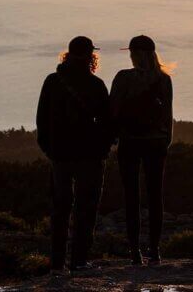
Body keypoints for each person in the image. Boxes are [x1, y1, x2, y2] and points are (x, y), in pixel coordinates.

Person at [36, 36, 112, 274]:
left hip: (60, 155)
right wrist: (103, 150)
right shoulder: (96, 85)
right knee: (85, 208)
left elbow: (41, 121)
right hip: (90, 156)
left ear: (67, 54)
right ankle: (79, 261)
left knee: (60, 209)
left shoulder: (52, 81)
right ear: (91, 56)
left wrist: (51, 151)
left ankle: (57, 263)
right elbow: (108, 124)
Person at [110, 35, 174, 266]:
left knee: (131, 197)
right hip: (156, 142)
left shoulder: (123, 77)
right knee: (155, 196)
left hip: (130, 142)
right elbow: (168, 115)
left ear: (134, 54)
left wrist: (112, 137)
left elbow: (113, 110)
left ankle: (135, 251)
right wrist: (165, 140)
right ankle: (155, 251)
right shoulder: (163, 79)